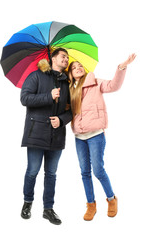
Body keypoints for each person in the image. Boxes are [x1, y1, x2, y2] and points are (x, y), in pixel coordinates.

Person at [68, 54, 136, 220]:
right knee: (84, 172)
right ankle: (91, 205)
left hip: (96, 135)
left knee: (98, 170)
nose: (78, 68)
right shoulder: (69, 90)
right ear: (70, 73)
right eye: (74, 67)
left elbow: (114, 85)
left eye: (80, 66)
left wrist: (121, 67)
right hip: (79, 137)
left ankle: (111, 199)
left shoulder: (95, 82)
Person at [20, 48, 72, 225]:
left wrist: (61, 120)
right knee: (32, 171)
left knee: (51, 173)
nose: (66, 60)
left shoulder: (66, 83)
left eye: (67, 58)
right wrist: (48, 96)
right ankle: (27, 202)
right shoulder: (36, 76)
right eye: (63, 57)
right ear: (53, 58)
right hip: (36, 132)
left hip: (56, 135)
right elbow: (25, 99)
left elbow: (71, 110)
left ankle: (48, 209)